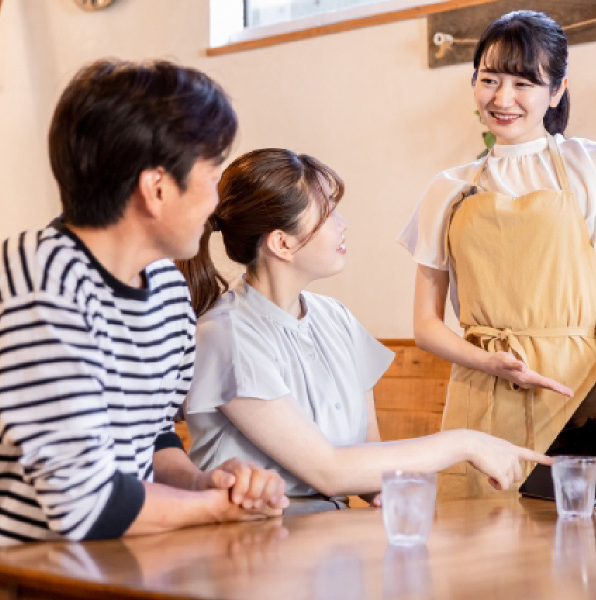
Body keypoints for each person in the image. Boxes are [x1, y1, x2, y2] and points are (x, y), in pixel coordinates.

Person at [0, 59, 289, 600]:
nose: (215, 203)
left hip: (104, 573)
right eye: (212, 178)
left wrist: (202, 483)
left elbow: (154, 436)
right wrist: (217, 509)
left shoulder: (166, 288)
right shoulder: (38, 279)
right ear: (156, 188)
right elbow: (85, 504)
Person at [397, 10, 596, 499]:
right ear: (473, 82)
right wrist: (488, 362)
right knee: (475, 551)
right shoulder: (447, 189)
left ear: (557, 90)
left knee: (566, 551)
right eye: (489, 80)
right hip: (480, 393)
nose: (503, 99)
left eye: (524, 83)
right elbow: (426, 326)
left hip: (572, 395)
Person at [176, 148, 551, 515]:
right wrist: (466, 443)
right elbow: (329, 471)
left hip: (332, 540)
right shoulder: (226, 335)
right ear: (281, 243)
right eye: (327, 214)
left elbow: (368, 457)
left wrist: (385, 489)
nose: (342, 224)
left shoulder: (335, 318)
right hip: (250, 543)